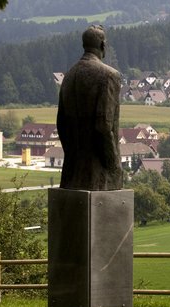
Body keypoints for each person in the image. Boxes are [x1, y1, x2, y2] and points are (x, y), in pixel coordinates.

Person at [57, 25, 123, 191]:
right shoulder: (109, 75)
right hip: (98, 174)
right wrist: (113, 164)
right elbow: (103, 125)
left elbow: (61, 124)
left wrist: (71, 154)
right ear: (102, 45)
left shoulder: (69, 76)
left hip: (71, 174)